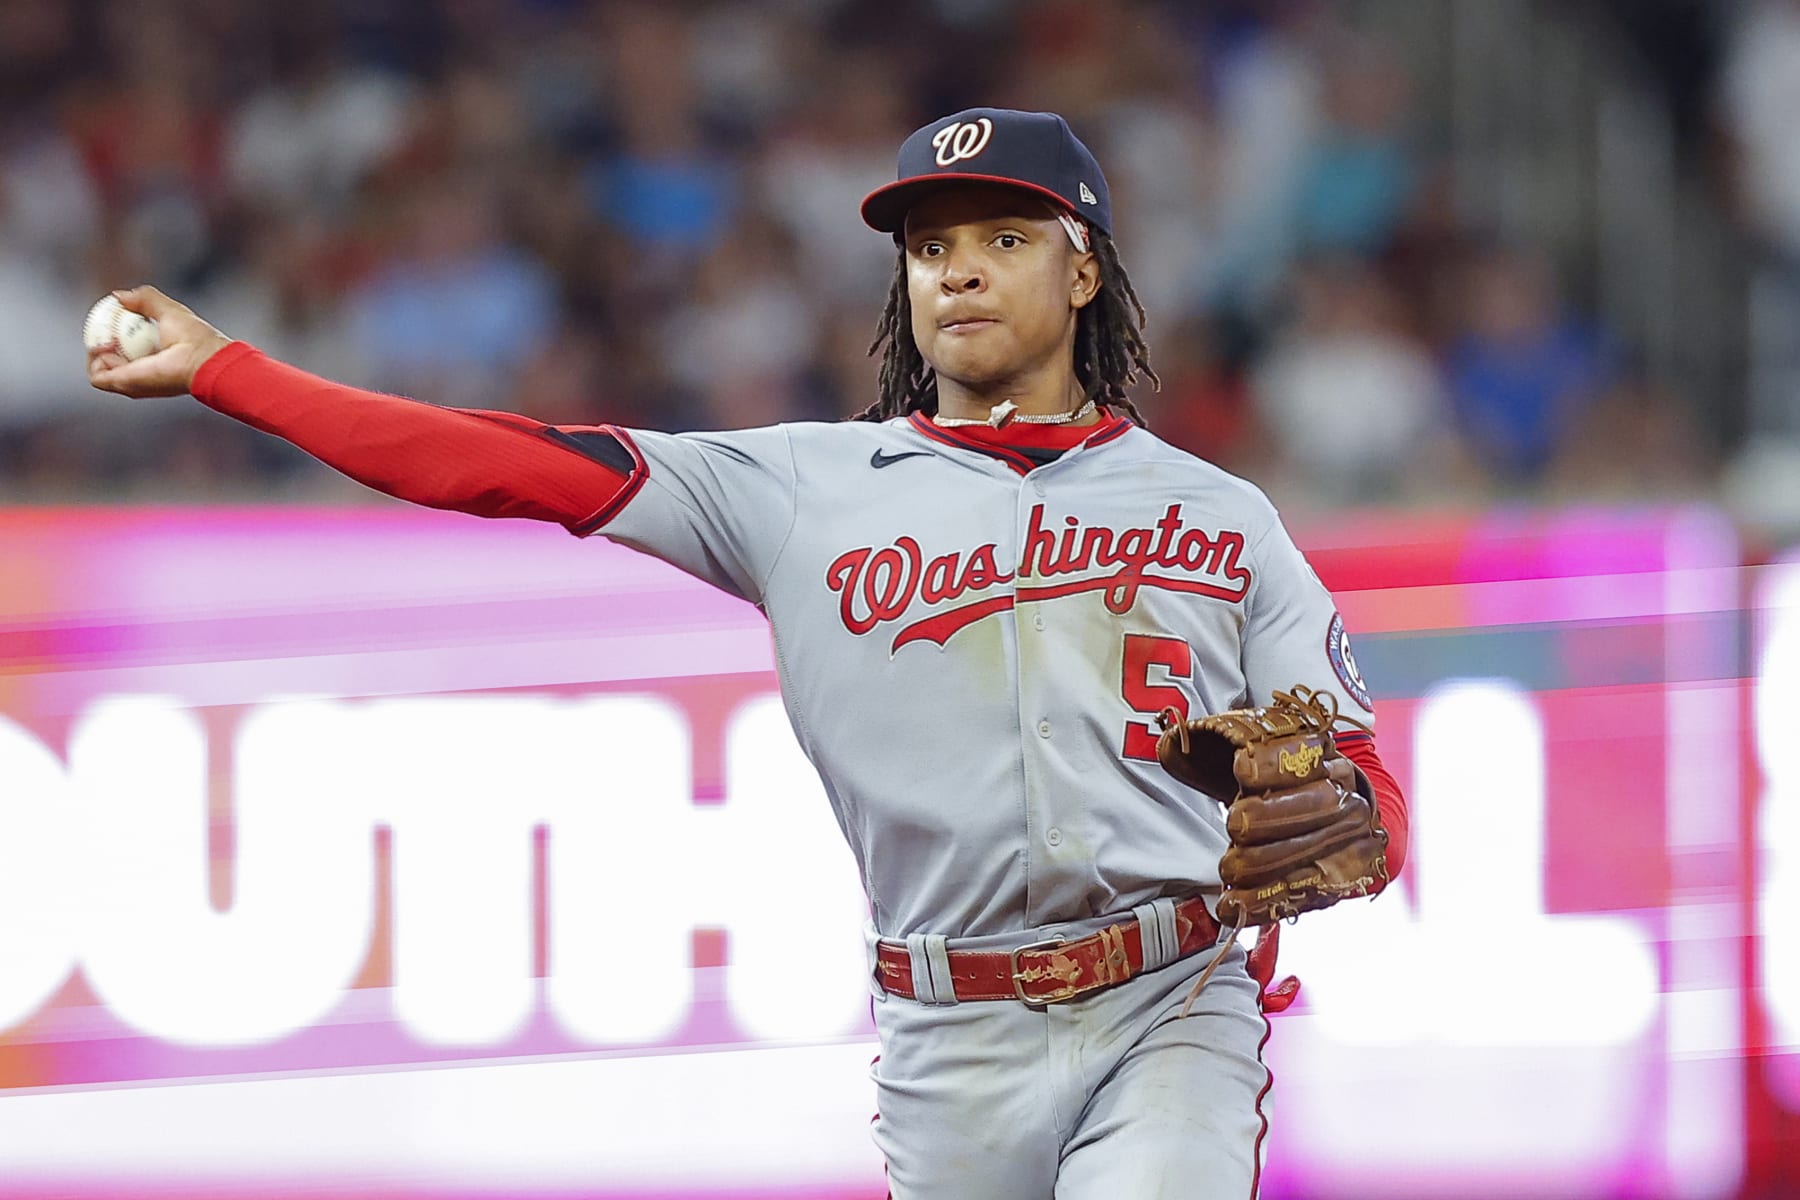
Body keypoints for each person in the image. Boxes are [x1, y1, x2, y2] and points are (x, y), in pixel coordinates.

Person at [88, 107, 1408, 1200]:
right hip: (944, 1033)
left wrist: (1347, 814)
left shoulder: (1221, 518)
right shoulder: (798, 489)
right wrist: (230, 371)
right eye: (930, 244)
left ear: (1081, 272)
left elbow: (1364, 791)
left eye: (1006, 238)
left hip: (1166, 1001)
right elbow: (506, 466)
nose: (956, 268)